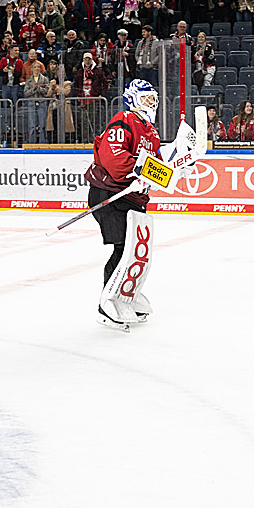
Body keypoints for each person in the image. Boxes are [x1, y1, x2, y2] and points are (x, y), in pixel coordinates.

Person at [84, 79, 160, 331]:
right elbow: (113, 155)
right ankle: (108, 303)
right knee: (123, 249)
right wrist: (137, 173)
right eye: (148, 98)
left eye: (154, 98)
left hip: (131, 198)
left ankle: (128, 296)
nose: (153, 103)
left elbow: (158, 168)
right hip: (110, 194)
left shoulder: (151, 131)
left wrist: (179, 165)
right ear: (134, 99)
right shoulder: (124, 119)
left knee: (138, 251)